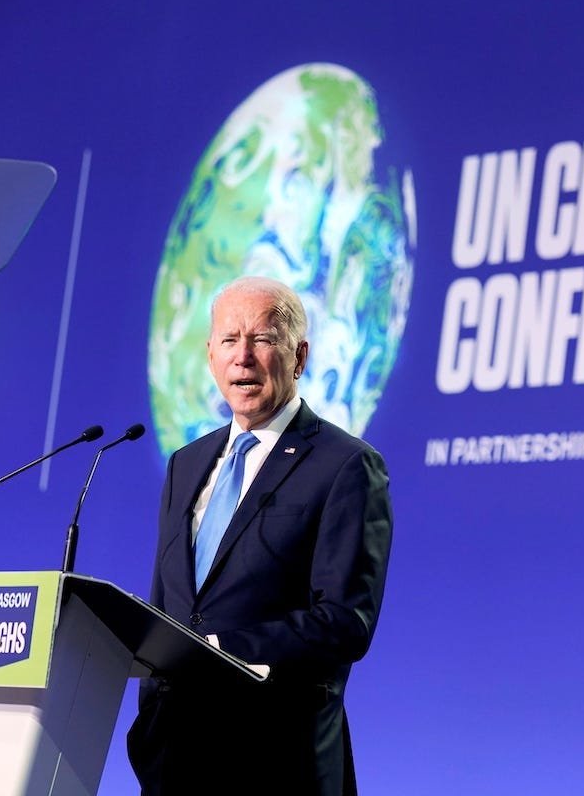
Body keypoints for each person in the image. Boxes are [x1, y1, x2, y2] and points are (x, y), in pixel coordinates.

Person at [128, 276, 393, 795]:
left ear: (299, 356)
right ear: (210, 356)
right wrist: (152, 718)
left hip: (276, 759)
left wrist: (218, 649)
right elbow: (170, 603)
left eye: (263, 339)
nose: (243, 358)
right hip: (175, 759)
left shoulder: (346, 466)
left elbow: (344, 622)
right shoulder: (188, 464)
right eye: (229, 340)